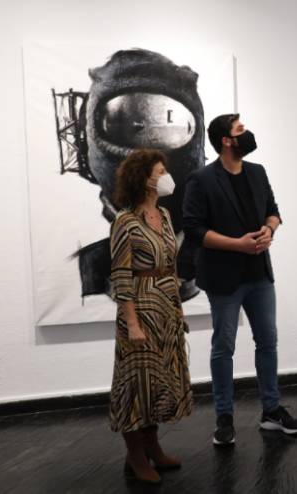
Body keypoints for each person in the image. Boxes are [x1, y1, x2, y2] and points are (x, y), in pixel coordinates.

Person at [183, 113, 297, 447]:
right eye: (241, 130)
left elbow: (274, 211)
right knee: (224, 347)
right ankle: (224, 418)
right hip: (224, 278)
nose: (247, 133)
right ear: (226, 140)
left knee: (267, 341)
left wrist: (269, 230)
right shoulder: (201, 179)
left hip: (259, 274)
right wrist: (237, 244)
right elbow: (193, 230)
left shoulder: (257, 172)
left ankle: (271, 411)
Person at [109, 149, 192, 484]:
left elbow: (171, 265)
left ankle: (153, 446)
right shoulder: (125, 222)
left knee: (157, 382)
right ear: (144, 179)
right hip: (140, 309)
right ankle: (135, 455)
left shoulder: (166, 215)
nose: (166, 176)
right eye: (160, 171)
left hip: (165, 307)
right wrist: (131, 323)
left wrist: (178, 308)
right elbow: (121, 275)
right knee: (135, 384)